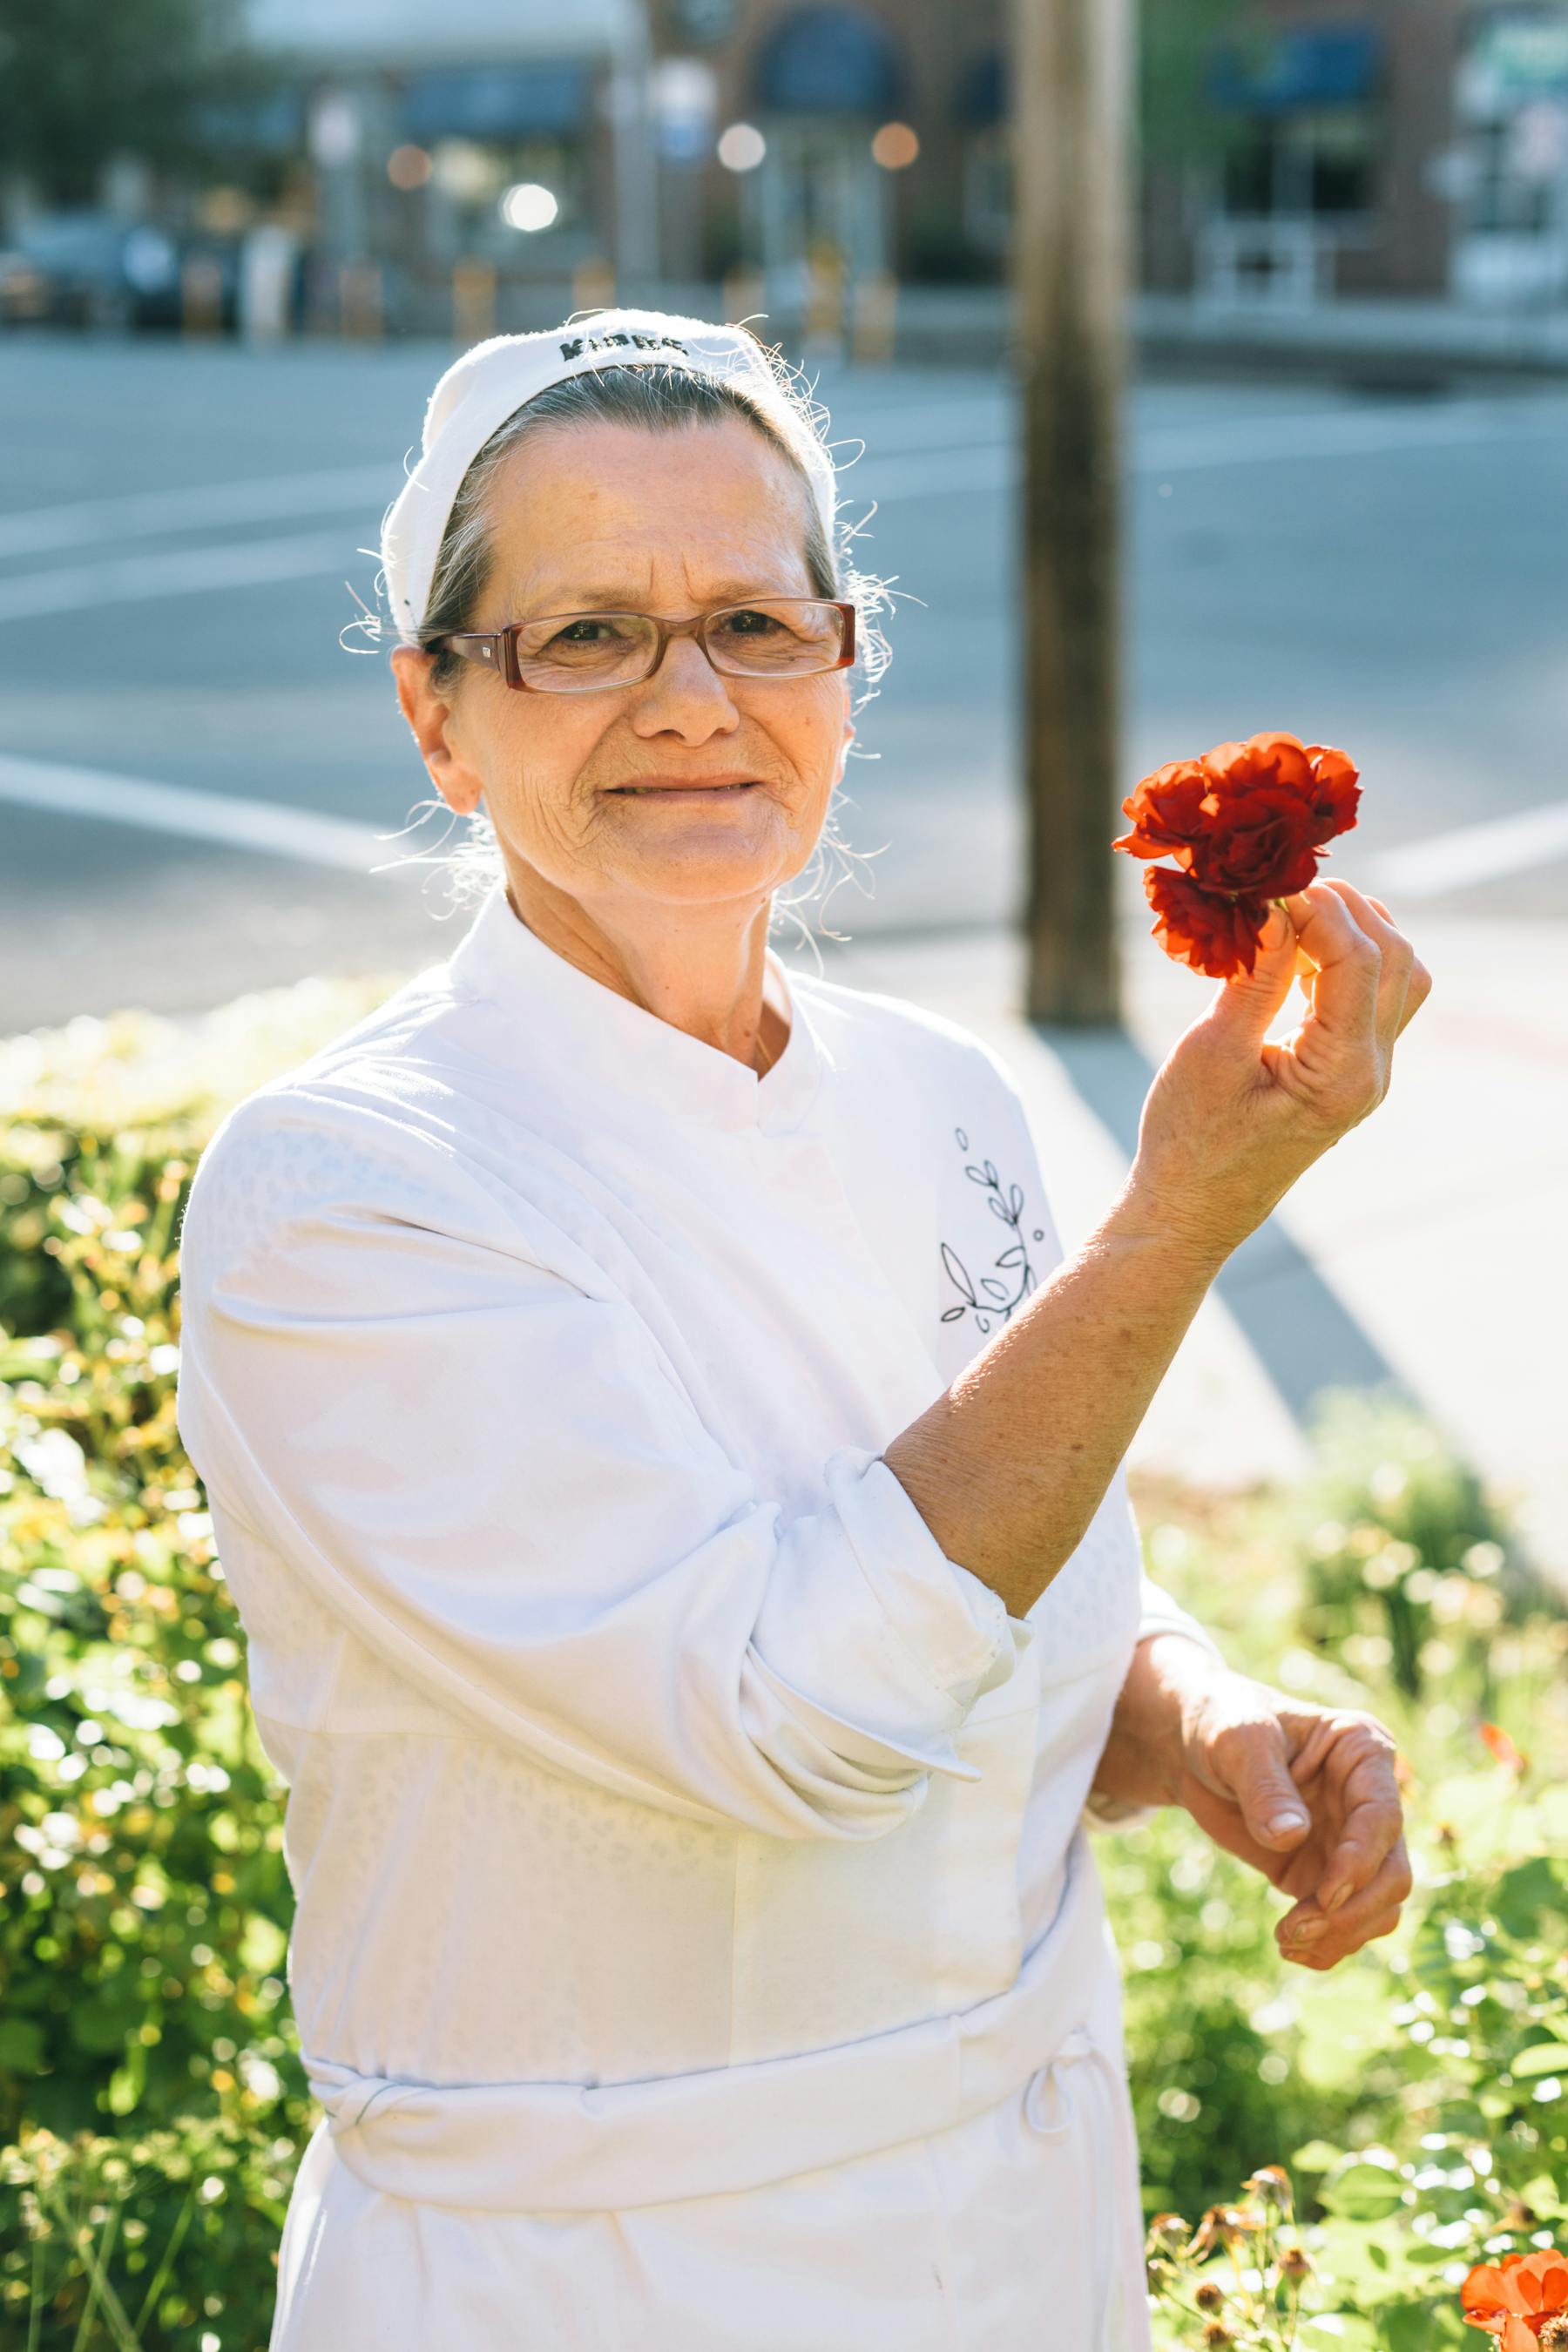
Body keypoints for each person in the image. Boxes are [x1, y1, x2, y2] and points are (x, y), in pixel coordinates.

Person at [174, 309, 1430, 2351]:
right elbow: (790, 1710)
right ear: (436, 713)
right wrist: (1179, 1220)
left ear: (848, 665)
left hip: (1025, 2240)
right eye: (583, 635)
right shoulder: (349, 1194)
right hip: (599, 2284)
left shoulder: (941, 1093)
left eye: (757, 623)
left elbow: (1016, 1581)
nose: (691, 700)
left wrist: (1188, 1718)